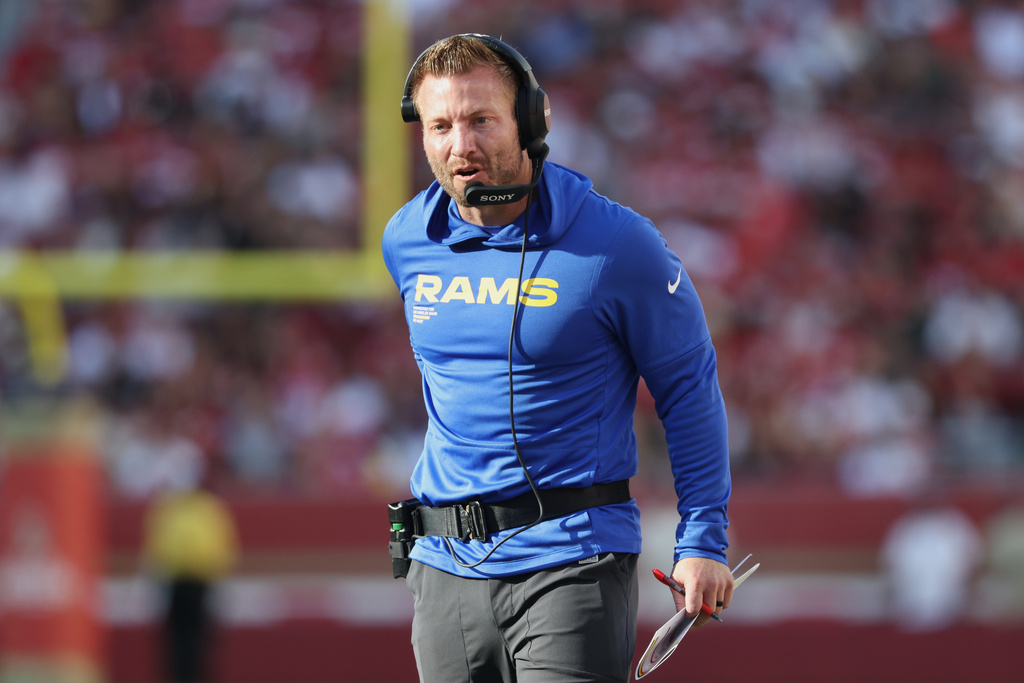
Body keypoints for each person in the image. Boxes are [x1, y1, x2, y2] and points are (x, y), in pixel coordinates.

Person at [382, 33, 733, 682]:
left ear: (534, 119)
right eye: (440, 125)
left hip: (572, 562)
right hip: (443, 568)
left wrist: (703, 537)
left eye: (481, 119)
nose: (461, 144)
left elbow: (689, 388)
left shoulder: (615, 244)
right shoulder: (406, 238)